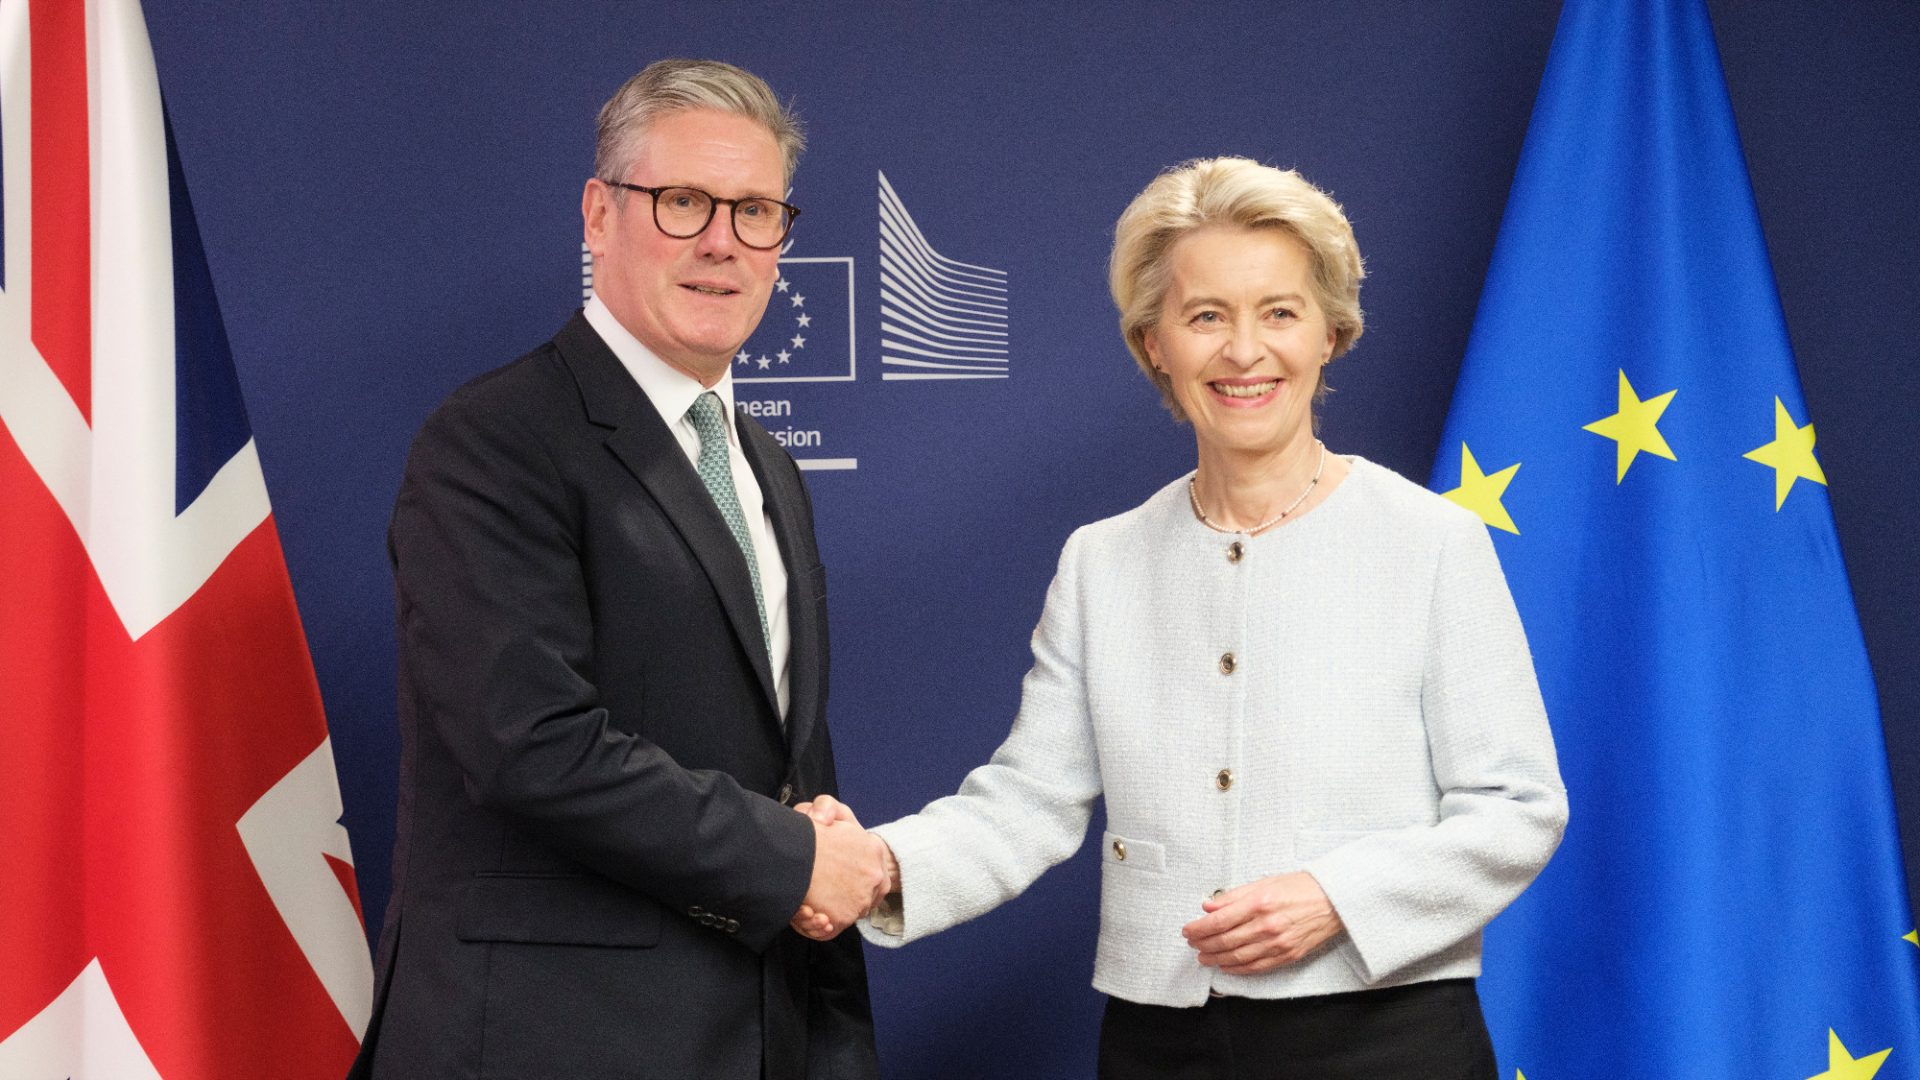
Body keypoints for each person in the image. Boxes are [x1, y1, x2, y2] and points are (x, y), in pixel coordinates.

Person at [799, 157, 1568, 1079]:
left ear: (1332, 332)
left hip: (1390, 1037)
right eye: (1206, 316)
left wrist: (1337, 897)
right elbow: (1029, 802)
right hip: (1162, 1043)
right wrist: (882, 864)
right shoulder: (1102, 561)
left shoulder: (1432, 542)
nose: (1245, 351)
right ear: (1154, 343)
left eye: (1279, 312)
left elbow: (1518, 808)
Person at [349, 59, 888, 1080]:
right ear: (599, 216)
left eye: (757, 210)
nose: (723, 242)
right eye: (683, 202)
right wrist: (794, 862)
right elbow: (532, 743)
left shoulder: (766, 465)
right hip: (552, 1041)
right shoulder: (494, 441)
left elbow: (786, 767)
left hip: (764, 1034)